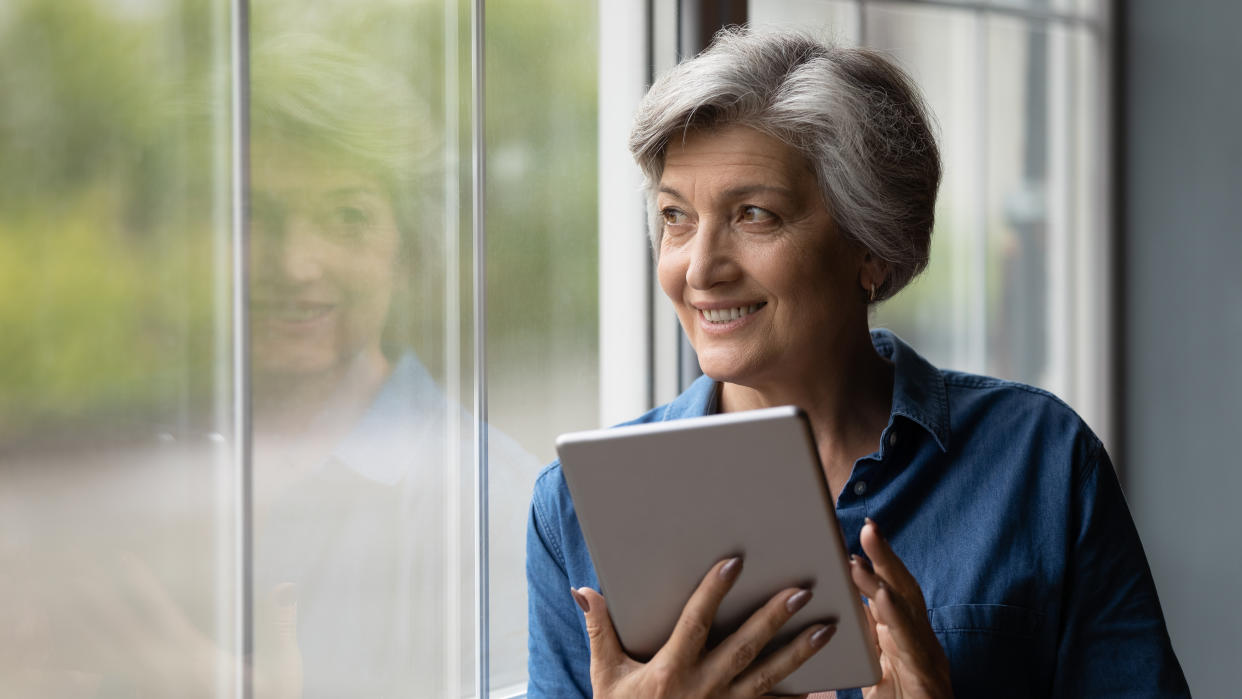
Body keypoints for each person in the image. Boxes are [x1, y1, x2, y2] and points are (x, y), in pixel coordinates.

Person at [526, 28, 1189, 698]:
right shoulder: (573, 511)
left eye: (754, 214)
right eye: (676, 216)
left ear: (870, 246)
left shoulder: (1041, 460)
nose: (699, 267)